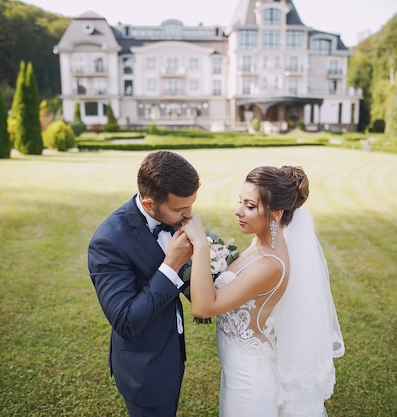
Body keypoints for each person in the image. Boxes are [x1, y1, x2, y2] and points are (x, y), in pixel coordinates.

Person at [181, 165, 344, 417]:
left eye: (249, 205)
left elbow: (203, 307)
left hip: (250, 378)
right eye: (240, 202)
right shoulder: (259, 243)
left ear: (276, 213)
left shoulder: (270, 264)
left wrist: (201, 246)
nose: (238, 211)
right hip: (236, 367)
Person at [87, 151, 200, 417]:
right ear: (149, 204)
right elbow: (126, 321)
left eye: (191, 205)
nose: (189, 215)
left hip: (171, 354)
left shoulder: (173, 218)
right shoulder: (108, 242)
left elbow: (193, 288)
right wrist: (171, 265)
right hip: (144, 368)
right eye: (181, 209)